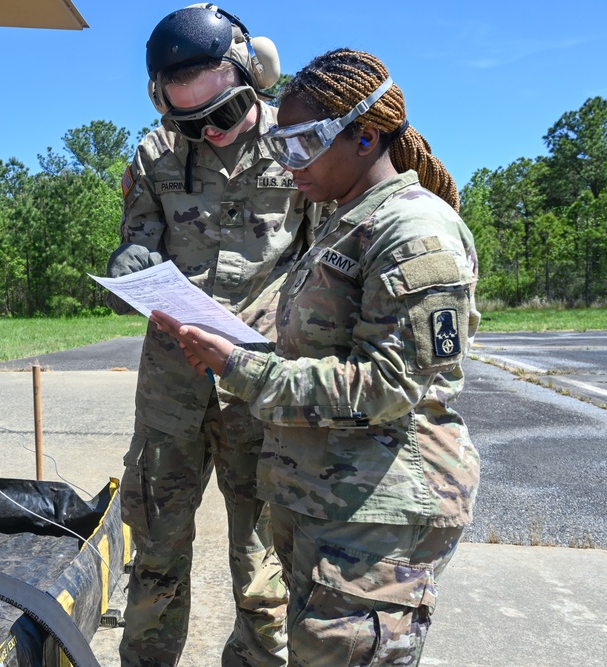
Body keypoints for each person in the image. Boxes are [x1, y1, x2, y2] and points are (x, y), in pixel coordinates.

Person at [150, 47, 480, 666]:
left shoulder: (413, 233)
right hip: (328, 499)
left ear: (364, 137)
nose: (287, 161)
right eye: (283, 143)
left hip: (376, 514)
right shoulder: (345, 223)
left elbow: (387, 387)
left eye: (303, 144)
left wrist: (237, 366)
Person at [105, 5, 323, 666]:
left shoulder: (302, 143)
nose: (211, 133)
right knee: (154, 567)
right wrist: (129, 263)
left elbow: (329, 263)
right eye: (189, 121)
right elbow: (138, 242)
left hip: (259, 391)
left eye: (222, 115)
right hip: (170, 394)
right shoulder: (156, 151)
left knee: (264, 577)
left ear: (254, 77)